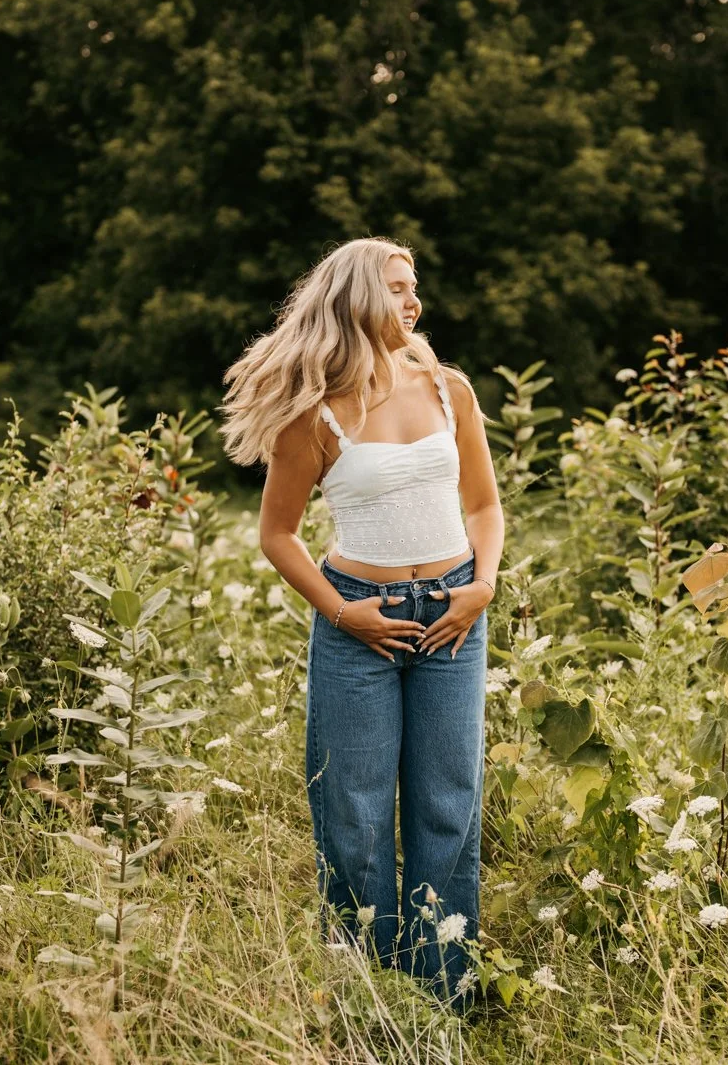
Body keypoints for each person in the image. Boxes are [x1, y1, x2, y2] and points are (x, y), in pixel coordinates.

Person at [219, 237, 504, 1002]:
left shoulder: (450, 389)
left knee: (448, 807)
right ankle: (368, 1002)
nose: (414, 302)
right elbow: (277, 534)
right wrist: (347, 614)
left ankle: (442, 1001)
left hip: (453, 615)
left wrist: (483, 586)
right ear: (356, 298)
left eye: (417, 288)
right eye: (399, 288)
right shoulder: (314, 413)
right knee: (355, 815)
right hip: (359, 629)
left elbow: (483, 504)